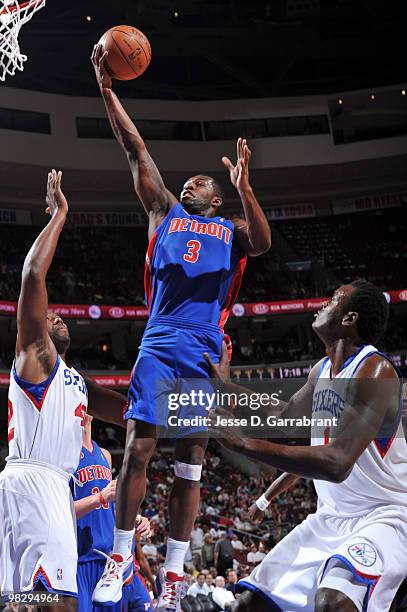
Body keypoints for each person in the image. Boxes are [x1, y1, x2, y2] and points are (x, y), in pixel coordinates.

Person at [90, 43, 271, 611]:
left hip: (203, 349)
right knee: (139, 450)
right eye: (187, 181)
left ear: (216, 199)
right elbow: (135, 148)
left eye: (199, 182)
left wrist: (246, 186)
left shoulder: (234, 229)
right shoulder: (164, 213)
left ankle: (172, 576)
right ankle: (121, 556)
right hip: (162, 341)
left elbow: (263, 244)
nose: (189, 183)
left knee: (191, 462)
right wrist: (107, 91)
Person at [206, 280, 407, 612]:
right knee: (249, 604)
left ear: (349, 319)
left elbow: (335, 463)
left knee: (333, 602)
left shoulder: (375, 371)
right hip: (330, 518)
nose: (322, 304)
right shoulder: (322, 371)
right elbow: (282, 414)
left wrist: (242, 442)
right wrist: (226, 387)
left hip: (384, 517)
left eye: (332, 300)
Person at [0, 171, 128, 611]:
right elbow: (33, 275)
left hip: (36, 489)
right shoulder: (36, 357)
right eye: (48, 316)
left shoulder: (77, 382)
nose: (54, 317)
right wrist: (59, 216)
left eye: (57, 315)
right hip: (38, 483)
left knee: (21, 600)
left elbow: (134, 412)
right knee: (60, 603)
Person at [72, 413, 154, 611]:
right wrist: (100, 497)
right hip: (81, 559)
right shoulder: (62, 455)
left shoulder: (105, 455)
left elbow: (108, 505)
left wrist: (132, 518)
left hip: (110, 560)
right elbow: (57, 513)